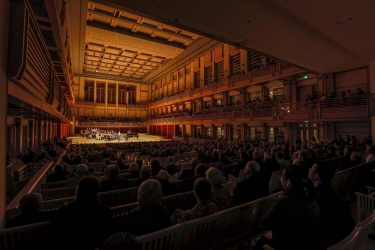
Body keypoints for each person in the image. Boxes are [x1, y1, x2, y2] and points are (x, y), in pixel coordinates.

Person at [255, 165, 320, 250]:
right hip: (306, 244)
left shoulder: (283, 202)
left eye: (282, 176)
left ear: (289, 182)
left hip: (286, 245)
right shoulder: (311, 197)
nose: (280, 178)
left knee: (259, 243)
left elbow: (266, 223)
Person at [52, 176, 114, 250]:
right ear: (97, 192)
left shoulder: (62, 212)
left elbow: (57, 240)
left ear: (79, 191)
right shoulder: (106, 212)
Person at [308, 163, 355, 245]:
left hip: (333, 242)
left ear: (316, 176)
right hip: (346, 238)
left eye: (311, 169)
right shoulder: (332, 194)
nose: (309, 170)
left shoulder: (319, 197)